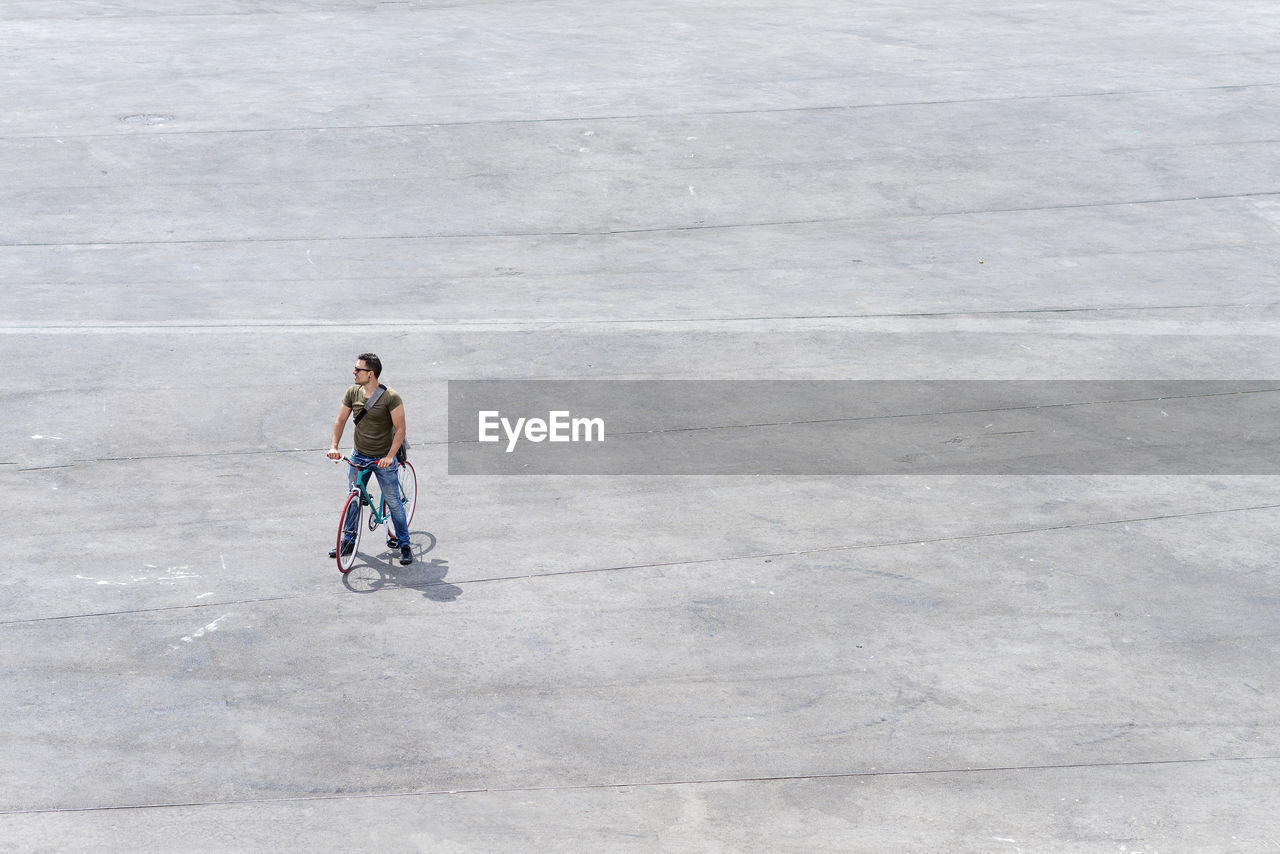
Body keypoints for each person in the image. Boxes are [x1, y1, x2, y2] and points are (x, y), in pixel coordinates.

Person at [327, 353, 413, 565]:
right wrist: (334, 447)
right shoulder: (352, 392)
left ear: (371, 374)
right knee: (352, 497)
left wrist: (390, 456)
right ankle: (348, 540)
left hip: (383, 458)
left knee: (394, 502)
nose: (354, 372)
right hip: (359, 456)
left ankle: (404, 544)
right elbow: (340, 420)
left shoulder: (391, 397)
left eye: (358, 370)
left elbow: (400, 429)